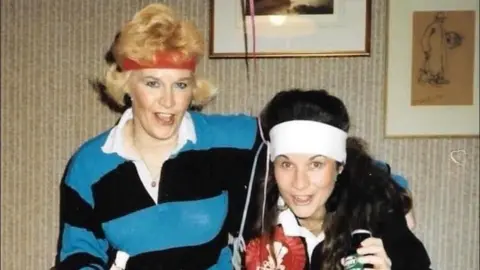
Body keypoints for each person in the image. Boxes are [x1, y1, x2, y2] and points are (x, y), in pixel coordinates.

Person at [54, 4, 260, 269]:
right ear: (127, 84)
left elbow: (297, 134)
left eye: (180, 85)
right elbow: (79, 255)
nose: (169, 101)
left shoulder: (228, 139)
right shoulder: (89, 165)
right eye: (152, 83)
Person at [242, 89, 431, 270]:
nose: (299, 184)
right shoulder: (252, 211)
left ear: (340, 166)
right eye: (286, 164)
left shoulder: (376, 213)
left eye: (315, 164)